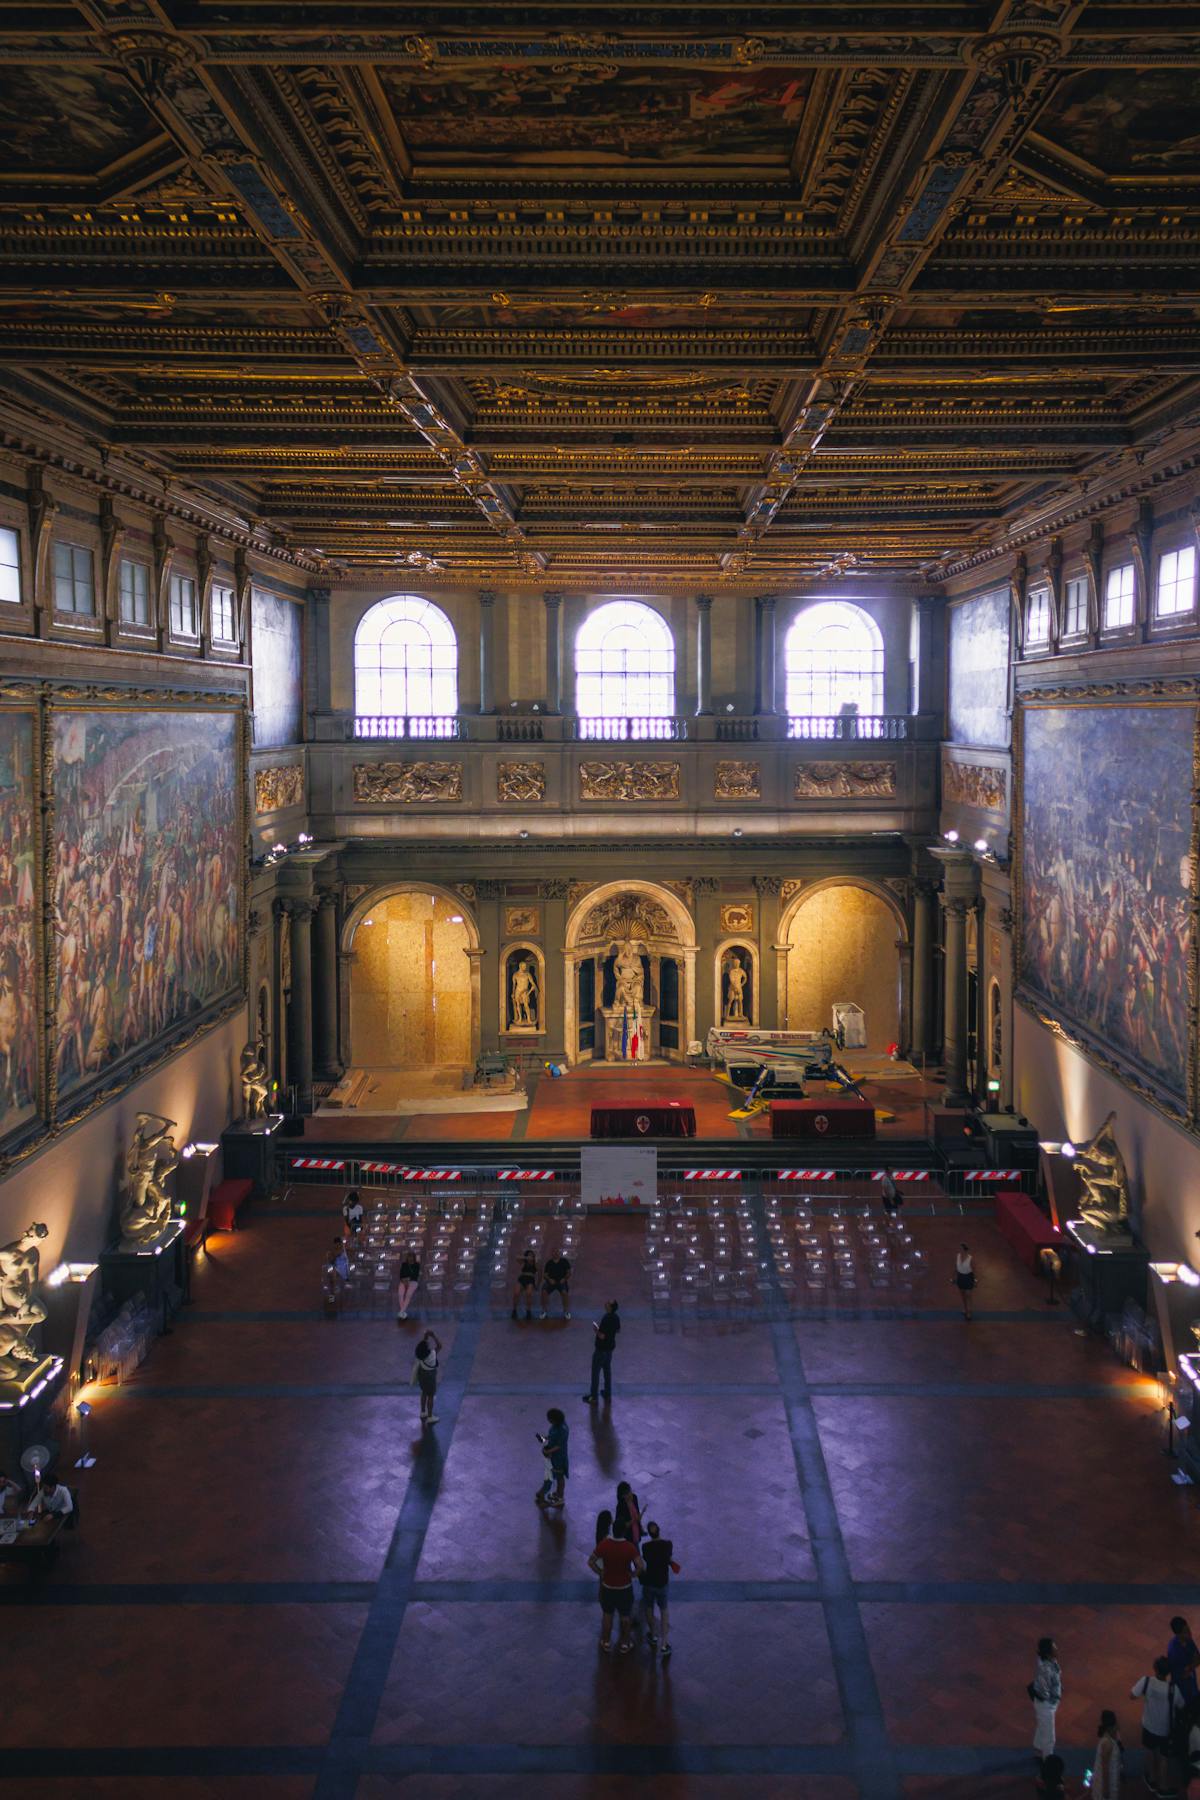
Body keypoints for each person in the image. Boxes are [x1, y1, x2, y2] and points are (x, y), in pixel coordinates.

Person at [588, 1519, 644, 1654]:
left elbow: (591, 1561)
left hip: (607, 1586)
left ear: (613, 1530)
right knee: (625, 1617)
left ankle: (606, 1641)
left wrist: (600, 1572)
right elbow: (640, 1565)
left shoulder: (604, 1544)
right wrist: (633, 1574)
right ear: (624, 1531)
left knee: (607, 1615)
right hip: (624, 1588)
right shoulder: (629, 1547)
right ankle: (625, 1643)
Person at [1132, 1654, 1184, 1796]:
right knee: (1164, 1758)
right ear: (1168, 1672)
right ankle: (1163, 1787)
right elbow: (1181, 1705)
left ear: (1155, 1668)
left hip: (1149, 1726)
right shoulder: (1173, 1689)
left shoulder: (1146, 1681)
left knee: (1150, 1752)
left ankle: (1151, 1780)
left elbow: (1132, 1695)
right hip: (1165, 1730)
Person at [640, 1519, 679, 1657]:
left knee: (648, 1608)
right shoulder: (668, 1545)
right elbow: (669, 1558)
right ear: (659, 1530)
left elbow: (646, 1560)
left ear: (649, 1534)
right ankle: (664, 1643)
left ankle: (653, 1634)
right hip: (662, 1582)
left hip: (649, 1582)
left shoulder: (645, 1547)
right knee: (664, 1611)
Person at [1031, 1636, 1061, 1767]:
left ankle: (1038, 1748)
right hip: (1046, 1705)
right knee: (1050, 1738)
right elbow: (1043, 1692)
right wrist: (1054, 1696)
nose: (1057, 1649)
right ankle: (1048, 1763)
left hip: (1048, 1704)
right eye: (1054, 1648)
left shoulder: (1049, 1661)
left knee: (1042, 1726)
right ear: (1048, 1653)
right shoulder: (1045, 1669)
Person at [583, 1299, 620, 1404]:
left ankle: (593, 1397)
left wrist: (596, 1330)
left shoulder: (606, 1318)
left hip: (601, 1350)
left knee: (595, 1373)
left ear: (610, 1307)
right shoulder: (616, 1317)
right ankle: (607, 1393)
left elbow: (602, 1336)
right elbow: (618, 1330)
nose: (606, 1303)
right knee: (607, 1371)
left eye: (608, 1303)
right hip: (610, 1349)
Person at [535, 1407, 569, 1508]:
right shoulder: (555, 1426)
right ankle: (557, 1493)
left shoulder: (563, 1430)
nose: (549, 1421)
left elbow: (559, 1445)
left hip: (559, 1457)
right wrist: (544, 1438)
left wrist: (547, 1451)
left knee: (559, 1477)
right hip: (553, 1456)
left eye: (550, 1419)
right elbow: (552, 1436)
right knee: (555, 1475)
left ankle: (560, 1497)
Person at [412, 1329, 442, 1426]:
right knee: (431, 1395)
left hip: (422, 1374)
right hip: (430, 1376)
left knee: (424, 1392)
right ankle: (430, 1417)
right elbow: (440, 1346)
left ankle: (423, 1412)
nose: (429, 1345)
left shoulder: (420, 1355)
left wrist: (426, 1336)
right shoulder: (432, 1354)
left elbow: (422, 1346)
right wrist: (433, 1336)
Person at [1091, 1709, 1123, 1800]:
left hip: (1112, 1774)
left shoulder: (1109, 1737)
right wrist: (1106, 1789)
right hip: (1108, 1780)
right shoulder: (1107, 1743)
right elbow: (1105, 1768)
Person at [1169, 1615, 1200, 1704]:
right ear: (1178, 1634)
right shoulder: (1174, 1651)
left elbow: (1197, 1658)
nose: (1190, 1633)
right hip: (1182, 1685)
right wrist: (1192, 1666)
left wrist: (1190, 1667)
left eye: (1188, 1629)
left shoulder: (1188, 1640)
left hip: (1190, 1679)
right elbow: (1183, 1674)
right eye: (1186, 1632)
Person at [540, 1247, 572, 1321]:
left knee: (564, 1293)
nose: (555, 1253)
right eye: (554, 1252)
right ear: (552, 1253)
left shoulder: (564, 1261)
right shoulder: (549, 1263)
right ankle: (544, 1311)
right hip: (551, 1281)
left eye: (557, 1252)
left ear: (559, 1253)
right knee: (544, 1291)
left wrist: (564, 1279)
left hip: (561, 1281)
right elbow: (545, 1275)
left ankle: (566, 1311)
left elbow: (569, 1273)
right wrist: (549, 1279)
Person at [512, 1247, 539, 1322]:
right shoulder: (524, 1261)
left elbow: (539, 1272)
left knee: (529, 1294)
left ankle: (528, 1311)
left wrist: (537, 1284)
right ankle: (514, 1310)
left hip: (530, 1279)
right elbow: (517, 1258)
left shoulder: (535, 1262)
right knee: (516, 1293)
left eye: (531, 1255)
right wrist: (526, 1258)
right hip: (522, 1278)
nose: (530, 1256)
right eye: (529, 1255)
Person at [396, 1246, 421, 1321]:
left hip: (413, 1281)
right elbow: (401, 1275)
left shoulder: (417, 1265)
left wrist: (408, 1279)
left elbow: (415, 1275)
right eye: (409, 1257)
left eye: (411, 1257)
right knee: (400, 1294)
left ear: (414, 1258)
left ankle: (401, 1311)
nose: (410, 1258)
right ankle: (402, 1312)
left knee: (408, 1295)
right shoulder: (404, 1264)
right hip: (403, 1281)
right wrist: (404, 1280)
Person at [614, 1480, 642, 1546]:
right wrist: (633, 1520)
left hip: (636, 1530)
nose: (630, 1494)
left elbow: (637, 1512)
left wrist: (639, 1519)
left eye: (630, 1491)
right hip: (628, 1535)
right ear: (622, 1496)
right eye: (626, 1493)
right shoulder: (620, 1507)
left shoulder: (634, 1498)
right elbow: (621, 1526)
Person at [955, 1243, 976, 1320]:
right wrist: (953, 1276)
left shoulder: (970, 1258)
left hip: (968, 1277)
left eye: (960, 1249)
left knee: (968, 1295)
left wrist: (975, 1280)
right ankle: (965, 1309)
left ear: (964, 1250)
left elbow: (974, 1270)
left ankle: (969, 1312)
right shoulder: (958, 1256)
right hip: (960, 1277)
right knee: (963, 1295)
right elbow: (956, 1267)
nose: (959, 1250)